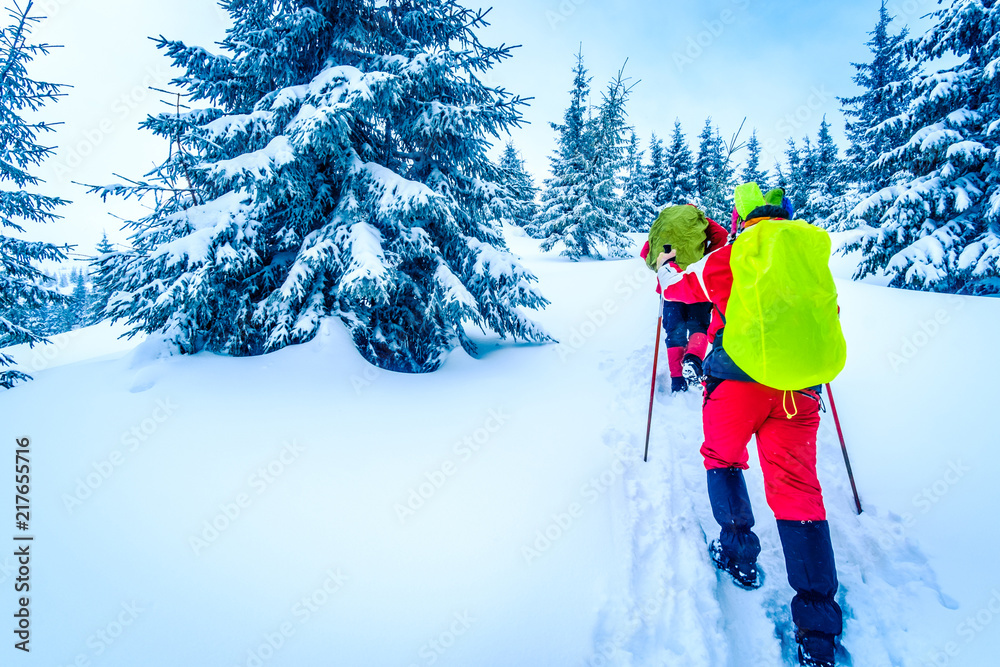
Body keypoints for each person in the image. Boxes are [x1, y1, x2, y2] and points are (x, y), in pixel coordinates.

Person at [655, 188, 843, 667]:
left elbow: (678, 290)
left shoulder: (734, 256)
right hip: (797, 392)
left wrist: (665, 269)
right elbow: (828, 318)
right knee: (799, 490)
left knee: (723, 458)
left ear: (744, 221)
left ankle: (739, 554)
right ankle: (818, 629)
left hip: (736, 385)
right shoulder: (808, 257)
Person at [639, 204, 728, 393]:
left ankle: (677, 380)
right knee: (699, 326)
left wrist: (662, 266)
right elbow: (721, 235)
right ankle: (693, 360)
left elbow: (646, 252)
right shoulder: (699, 223)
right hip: (697, 282)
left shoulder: (663, 225)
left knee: (674, 331)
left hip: (669, 285)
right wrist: (705, 256)